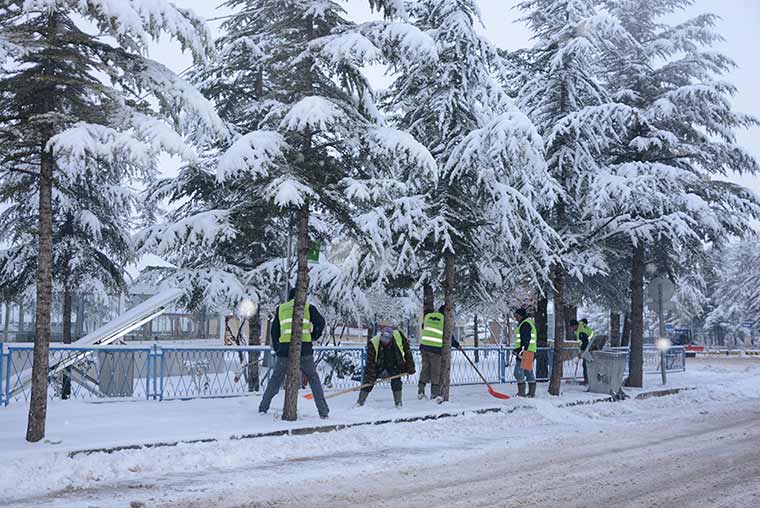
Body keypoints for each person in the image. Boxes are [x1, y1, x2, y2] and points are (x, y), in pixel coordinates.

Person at [258, 288, 329, 418]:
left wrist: (278, 348)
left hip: (285, 350)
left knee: (276, 378)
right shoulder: (308, 307)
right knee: (313, 378)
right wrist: (313, 336)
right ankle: (323, 411)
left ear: (289, 298)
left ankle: (263, 406)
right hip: (305, 349)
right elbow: (321, 322)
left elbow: (274, 332)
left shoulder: (281, 309)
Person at [356, 326, 416, 408]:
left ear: (391, 338)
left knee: (396, 382)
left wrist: (410, 366)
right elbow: (370, 363)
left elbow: (407, 351)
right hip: (379, 364)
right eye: (383, 338)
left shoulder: (399, 336)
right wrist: (370, 378)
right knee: (368, 382)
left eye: (387, 339)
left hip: (394, 363)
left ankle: (398, 403)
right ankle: (360, 402)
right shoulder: (373, 343)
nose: (385, 341)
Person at [418, 305, 461, 400]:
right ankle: (434, 393)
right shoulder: (444, 320)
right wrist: (457, 345)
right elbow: (449, 336)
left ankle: (420, 391)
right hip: (435, 349)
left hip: (424, 347)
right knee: (435, 371)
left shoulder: (429, 316)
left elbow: (423, 327)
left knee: (425, 368)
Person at [513, 308, 537, 398]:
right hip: (529, 351)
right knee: (528, 371)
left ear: (521, 315)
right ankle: (531, 393)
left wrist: (520, 351)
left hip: (526, 352)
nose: (515, 318)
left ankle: (521, 393)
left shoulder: (525, 324)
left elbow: (526, 340)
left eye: (516, 316)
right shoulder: (526, 323)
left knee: (518, 372)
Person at [569, 318, 595, 384]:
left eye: (571, 327)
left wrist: (580, 352)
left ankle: (587, 380)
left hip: (590, 346)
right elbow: (585, 320)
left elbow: (585, 342)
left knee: (586, 364)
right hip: (593, 344)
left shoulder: (580, 332)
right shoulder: (581, 324)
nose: (571, 329)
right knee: (587, 364)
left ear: (575, 326)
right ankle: (588, 379)